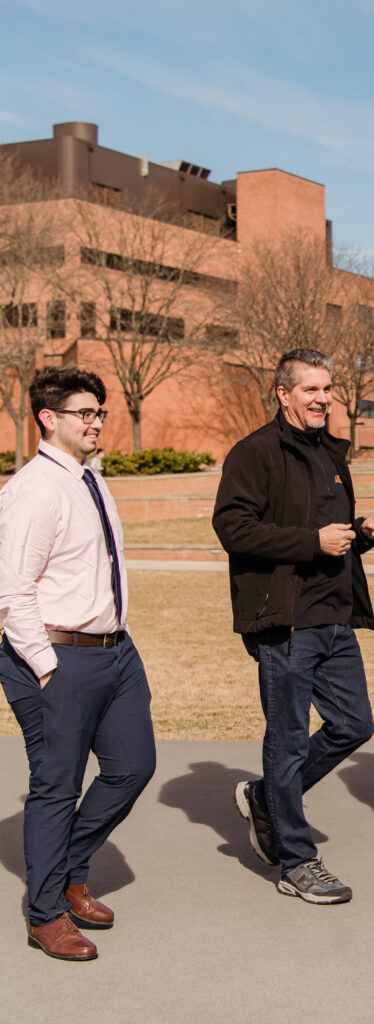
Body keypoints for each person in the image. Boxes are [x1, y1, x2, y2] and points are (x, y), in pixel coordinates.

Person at [213, 348, 374, 904]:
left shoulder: (329, 454)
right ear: (282, 393)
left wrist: (359, 534)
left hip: (335, 618)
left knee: (353, 725)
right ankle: (295, 859)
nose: (322, 399)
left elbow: (325, 528)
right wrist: (310, 543)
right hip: (286, 623)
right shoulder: (255, 453)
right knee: (287, 740)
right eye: (311, 389)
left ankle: (267, 797)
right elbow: (233, 528)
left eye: (327, 389)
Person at [0, 367, 156, 960]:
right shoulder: (34, 489)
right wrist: (45, 665)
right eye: (84, 413)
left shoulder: (90, 476)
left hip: (114, 651)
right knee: (56, 787)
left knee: (133, 767)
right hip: (58, 658)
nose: (95, 423)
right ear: (49, 418)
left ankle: (68, 869)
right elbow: (12, 589)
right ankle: (45, 915)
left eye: (100, 413)